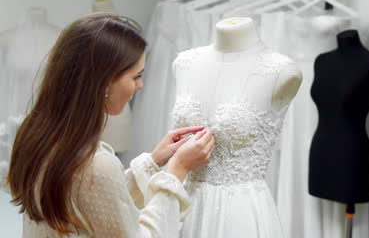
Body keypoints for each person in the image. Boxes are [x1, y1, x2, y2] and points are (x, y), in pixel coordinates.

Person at [5, 12, 215, 237]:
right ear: (104, 81)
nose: (140, 85)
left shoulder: (37, 134)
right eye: (136, 76)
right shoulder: (94, 165)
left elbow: (96, 203)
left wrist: (153, 161)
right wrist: (177, 171)